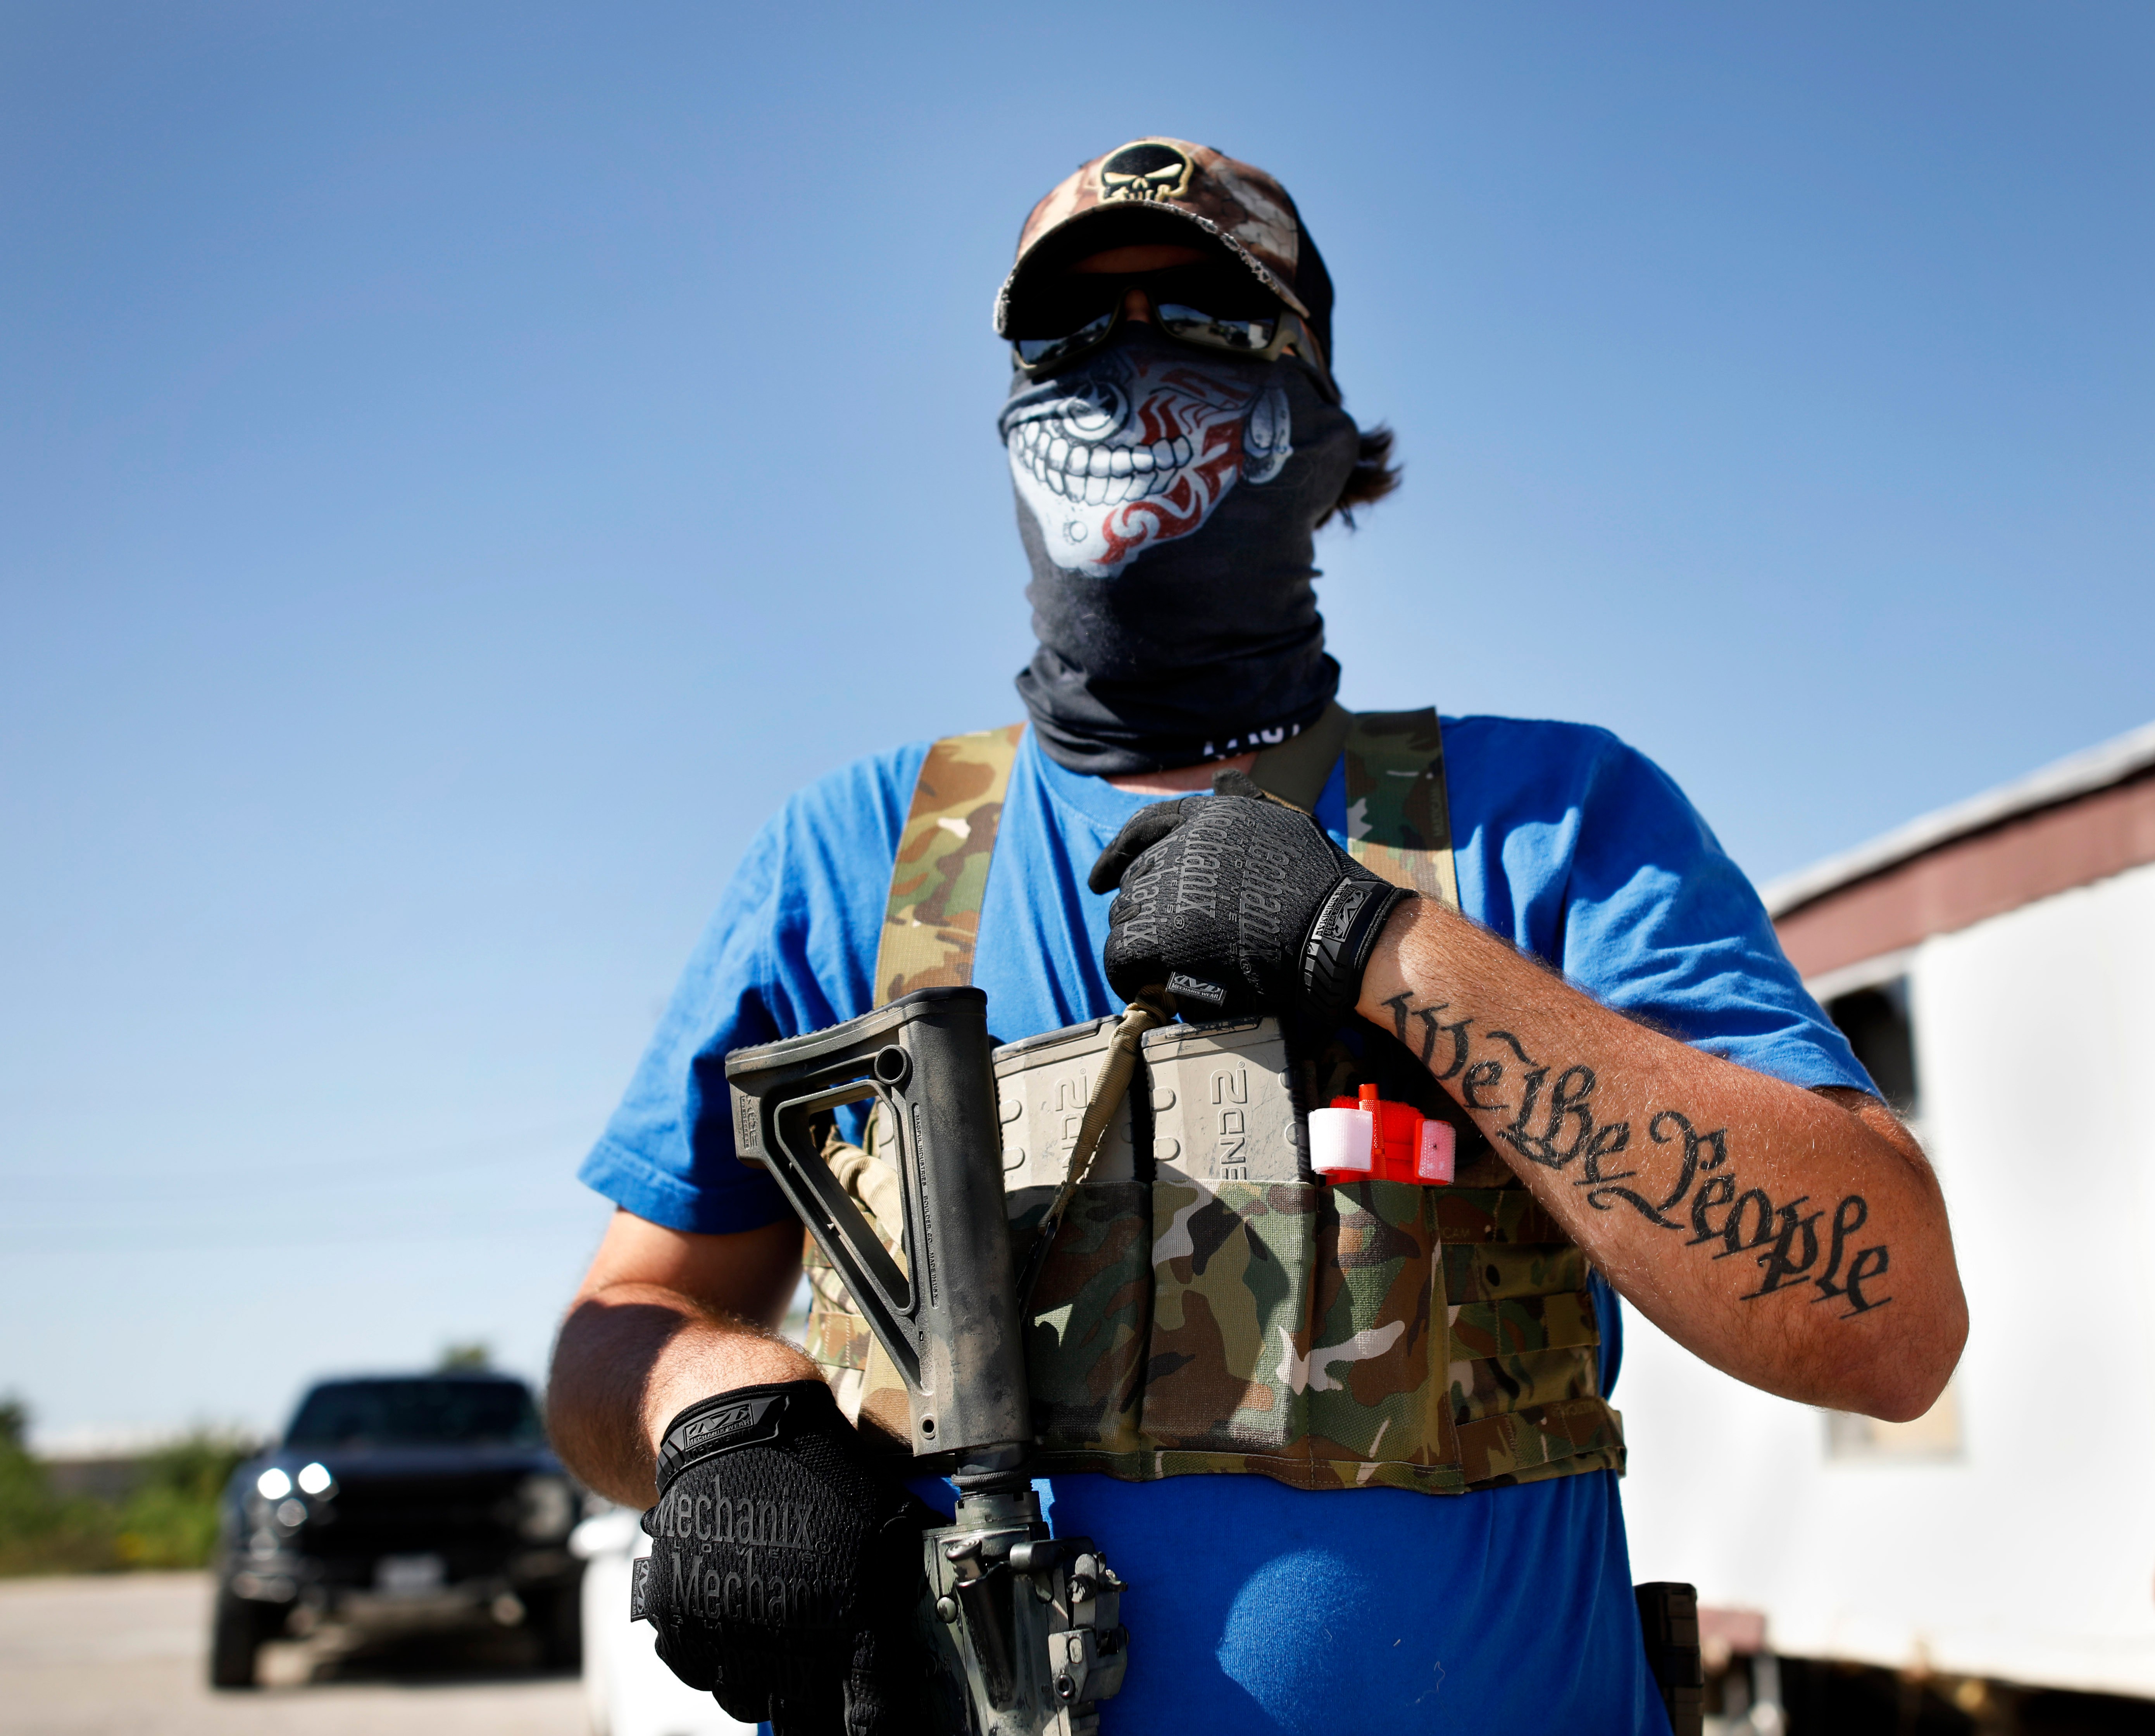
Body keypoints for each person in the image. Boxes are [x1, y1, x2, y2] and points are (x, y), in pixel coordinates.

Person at [547, 137, 1966, 1734]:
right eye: (1069, 337)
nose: (1123, 369)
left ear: (1321, 426)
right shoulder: (856, 858)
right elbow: (614, 1330)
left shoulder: (1545, 818)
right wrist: (716, 1414)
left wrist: (1389, 950)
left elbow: (1889, 1321)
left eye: (1198, 324)